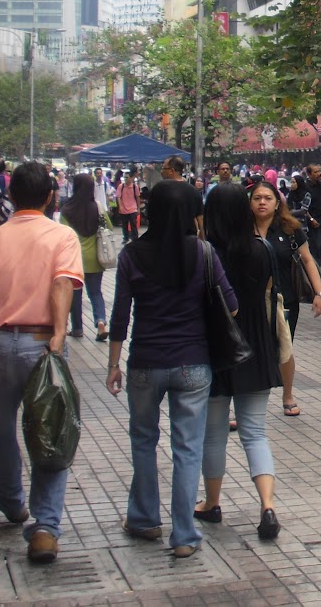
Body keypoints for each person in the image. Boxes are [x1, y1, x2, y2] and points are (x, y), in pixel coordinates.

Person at [0, 162, 84, 564]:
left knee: (0, 428)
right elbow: (62, 283)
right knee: (51, 432)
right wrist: (58, 337)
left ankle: (10, 503)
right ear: (49, 196)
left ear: (10, 196)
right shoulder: (62, 236)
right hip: (44, 344)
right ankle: (44, 526)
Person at [105, 180, 229, 559]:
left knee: (143, 441)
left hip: (144, 363)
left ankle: (144, 519)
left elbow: (120, 315)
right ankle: (184, 535)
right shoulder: (205, 253)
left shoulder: (131, 255)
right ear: (192, 214)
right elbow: (232, 305)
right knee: (187, 449)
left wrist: (113, 364)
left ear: (151, 211)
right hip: (193, 363)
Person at [196, 183, 285, 541]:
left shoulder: (203, 254)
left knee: (213, 436)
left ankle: (212, 503)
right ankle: (267, 506)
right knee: (255, 433)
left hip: (215, 351)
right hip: (256, 348)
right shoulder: (262, 249)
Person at [248, 179, 321, 418]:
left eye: (267, 198)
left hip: (284, 299)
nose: (262, 203)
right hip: (250, 300)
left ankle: (288, 395)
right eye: (257, 198)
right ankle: (243, 399)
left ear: (276, 203)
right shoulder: (240, 230)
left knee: (285, 347)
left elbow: (308, 260)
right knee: (248, 349)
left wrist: (318, 293)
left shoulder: (289, 229)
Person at [60, 174, 111, 341]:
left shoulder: (66, 210)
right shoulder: (98, 207)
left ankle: (77, 329)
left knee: (75, 294)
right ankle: (101, 322)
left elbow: (63, 235)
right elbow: (109, 226)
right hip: (95, 258)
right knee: (95, 292)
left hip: (73, 260)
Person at [116, 170, 141, 243]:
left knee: (133, 224)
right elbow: (118, 197)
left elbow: (137, 197)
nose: (125, 179)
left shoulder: (135, 187)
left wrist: (138, 208)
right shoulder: (121, 186)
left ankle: (135, 239)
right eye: (124, 178)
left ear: (131, 178)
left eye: (127, 177)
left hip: (133, 209)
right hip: (124, 209)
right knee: (124, 225)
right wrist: (120, 206)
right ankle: (125, 238)